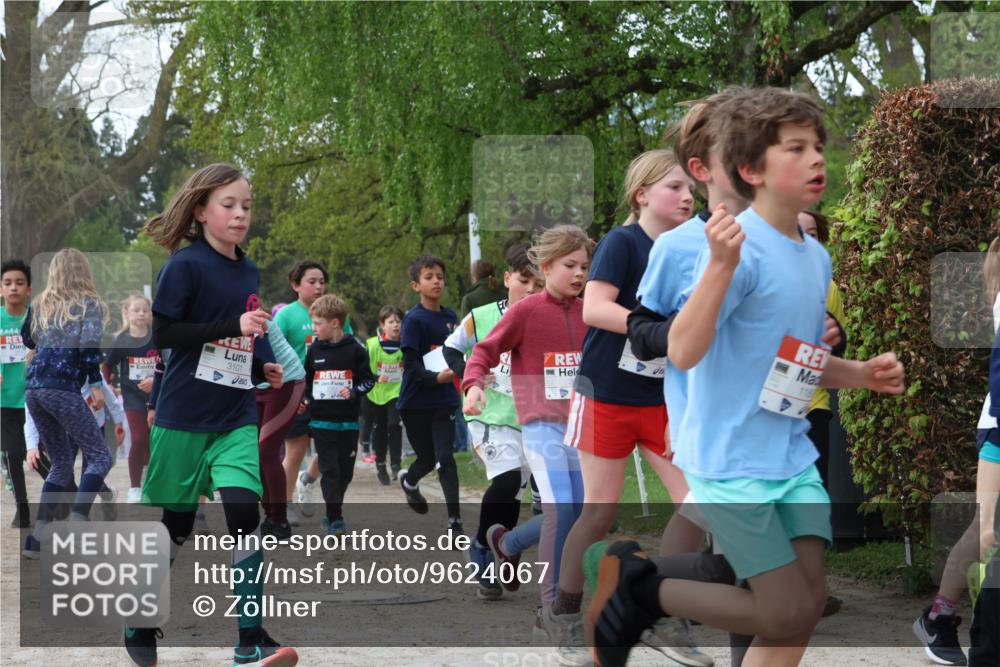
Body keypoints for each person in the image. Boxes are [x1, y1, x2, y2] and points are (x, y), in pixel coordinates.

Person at [587, 87, 905, 667]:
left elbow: (789, 359)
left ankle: (640, 582)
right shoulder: (729, 249)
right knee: (777, 607)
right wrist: (721, 268)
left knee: (803, 610)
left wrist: (859, 373)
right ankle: (639, 589)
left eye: (818, 147)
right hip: (732, 458)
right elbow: (677, 347)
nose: (816, 160)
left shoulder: (815, 254)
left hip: (789, 454)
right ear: (750, 169)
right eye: (796, 148)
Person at [126, 163, 296, 667]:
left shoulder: (248, 269)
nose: (241, 215)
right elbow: (165, 336)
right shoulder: (184, 266)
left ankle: (249, 636)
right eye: (229, 205)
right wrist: (232, 325)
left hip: (234, 413)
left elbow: (238, 336)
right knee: (176, 525)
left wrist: (258, 363)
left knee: (245, 513)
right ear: (201, 211)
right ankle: (139, 618)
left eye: (246, 206)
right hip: (183, 414)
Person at [554, 149, 712, 666]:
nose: (688, 195)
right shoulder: (623, 243)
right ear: (641, 195)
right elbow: (595, 308)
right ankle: (568, 616)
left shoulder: (697, 246)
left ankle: (663, 612)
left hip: (666, 399)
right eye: (674, 187)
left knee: (697, 504)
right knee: (598, 515)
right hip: (606, 396)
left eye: (691, 187)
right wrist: (658, 331)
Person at [462, 225, 593, 643]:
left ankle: (510, 542)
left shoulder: (591, 311)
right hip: (540, 426)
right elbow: (483, 351)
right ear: (546, 265)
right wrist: (474, 384)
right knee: (560, 512)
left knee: (583, 515)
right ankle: (552, 609)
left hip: (583, 429)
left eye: (585, 266)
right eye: (569, 265)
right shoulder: (526, 311)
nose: (578, 274)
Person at [913, 236, 1000, 666]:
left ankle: (940, 616)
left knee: (982, 528)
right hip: (998, 429)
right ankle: (941, 617)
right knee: (984, 530)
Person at [444, 242, 545, 600]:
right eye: (524, 280)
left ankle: (505, 544)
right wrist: (469, 377)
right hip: (487, 415)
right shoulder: (483, 316)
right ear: (506, 279)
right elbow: (451, 348)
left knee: (516, 487)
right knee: (504, 480)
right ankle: (481, 550)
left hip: (529, 417)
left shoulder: (544, 318)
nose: (531, 289)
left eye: (539, 283)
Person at [20, 249, 113, 559]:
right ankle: (77, 522)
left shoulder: (40, 304)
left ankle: (37, 540)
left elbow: (28, 339)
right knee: (100, 456)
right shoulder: (91, 305)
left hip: (33, 388)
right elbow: (89, 349)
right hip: (63, 388)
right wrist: (97, 385)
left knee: (60, 462)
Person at [397, 255, 464, 538]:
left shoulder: (451, 318)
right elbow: (410, 365)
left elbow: (458, 353)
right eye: (429, 277)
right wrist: (435, 378)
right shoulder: (413, 320)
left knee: (445, 458)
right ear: (416, 285)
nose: (436, 281)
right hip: (415, 403)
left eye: (439, 276)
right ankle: (410, 482)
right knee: (426, 459)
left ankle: (454, 522)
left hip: (445, 401)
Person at [299, 294, 374, 536]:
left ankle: (333, 511)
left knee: (345, 472)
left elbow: (368, 381)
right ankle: (335, 518)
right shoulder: (314, 350)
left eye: (318, 323)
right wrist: (305, 400)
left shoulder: (356, 349)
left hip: (349, 423)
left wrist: (353, 392)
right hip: (322, 421)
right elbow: (307, 382)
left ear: (335, 323)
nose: (314, 328)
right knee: (330, 469)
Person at [276, 260, 328, 525]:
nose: (318, 286)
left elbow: (347, 342)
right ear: (296, 285)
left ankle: (308, 478)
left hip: (328, 388)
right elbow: (272, 349)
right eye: (312, 281)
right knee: (295, 451)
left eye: (322, 281)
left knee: (331, 446)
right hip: (296, 390)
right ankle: (284, 506)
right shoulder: (286, 316)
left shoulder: (334, 312)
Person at [256, 304, 306, 539]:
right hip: (255, 386)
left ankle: (279, 520)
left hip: (286, 381)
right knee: (254, 453)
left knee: (267, 450)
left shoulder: (254, 317)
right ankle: (270, 517)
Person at [104, 294, 159, 504]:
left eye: (145, 310)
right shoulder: (122, 340)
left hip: (157, 397)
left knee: (155, 442)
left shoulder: (157, 337)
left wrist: (155, 380)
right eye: (136, 310)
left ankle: (152, 485)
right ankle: (135, 488)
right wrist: (107, 384)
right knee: (138, 439)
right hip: (132, 399)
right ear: (126, 313)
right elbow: (107, 365)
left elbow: (168, 363)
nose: (141, 314)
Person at [1, 258, 39, 528]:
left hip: (36, 398)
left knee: (39, 456)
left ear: (28, 289)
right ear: (1, 289)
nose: (13, 287)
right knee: (13, 454)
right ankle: (22, 509)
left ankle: (66, 498)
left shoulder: (37, 318)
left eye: (19, 283)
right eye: (7, 283)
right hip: (5, 400)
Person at [365, 306, 405, 484]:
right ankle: (380, 464)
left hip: (396, 392)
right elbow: (363, 370)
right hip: (376, 394)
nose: (395, 325)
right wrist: (375, 377)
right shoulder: (372, 344)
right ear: (382, 325)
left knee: (394, 425)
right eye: (391, 322)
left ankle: (396, 463)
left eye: (398, 321)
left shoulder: (406, 345)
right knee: (380, 429)